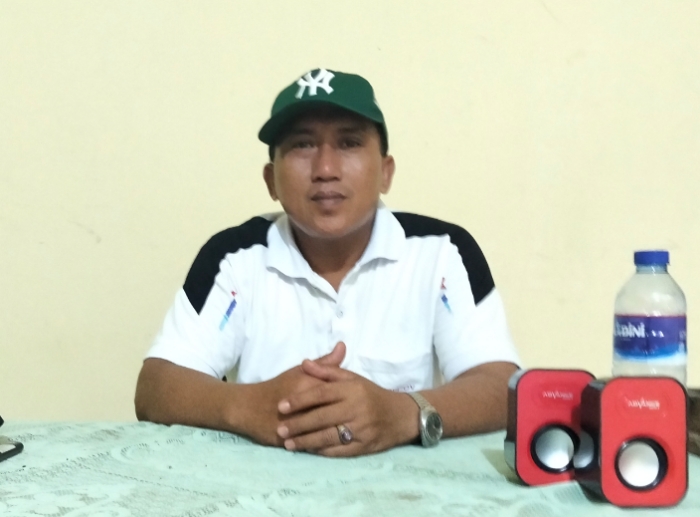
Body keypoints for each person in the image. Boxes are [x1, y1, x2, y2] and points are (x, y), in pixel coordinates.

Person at [135, 68, 520, 457]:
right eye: (302, 145)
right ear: (271, 180)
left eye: (349, 143)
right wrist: (251, 406)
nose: (325, 170)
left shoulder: (442, 251)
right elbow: (155, 387)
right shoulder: (234, 257)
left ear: (386, 173)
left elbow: (502, 387)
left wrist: (403, 413)